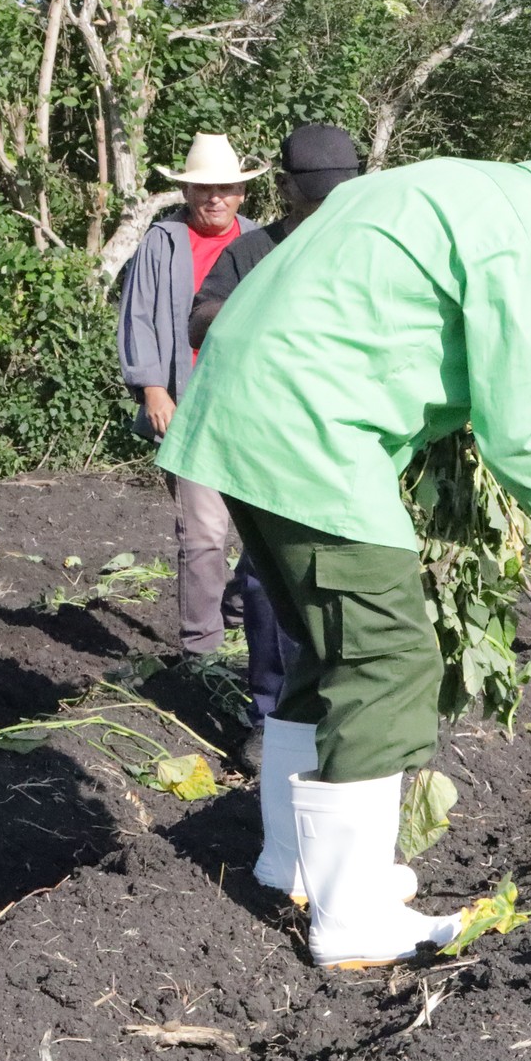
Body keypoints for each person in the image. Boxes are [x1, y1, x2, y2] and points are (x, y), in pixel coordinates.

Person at [157, 113, 531, 967]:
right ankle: (352, 918)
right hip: (312, 428)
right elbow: (514, 421)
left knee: (327, 651)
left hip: (247, 411)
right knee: (389, 661)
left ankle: (295, 864)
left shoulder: (461, 181)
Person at [187, 124, 365, 768]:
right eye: (314, 196)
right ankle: (272, 711)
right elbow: (200, 320)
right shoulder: (255, 251)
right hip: (268, 438)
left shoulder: (369, 249)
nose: (327, 209)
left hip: (352, 440)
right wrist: (268, 304)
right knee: (267, 580)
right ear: (287, 189)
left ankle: (346, 709)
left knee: (352, 576)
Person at [118, 133, 262, 657]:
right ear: (186, 191)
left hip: (252, 406)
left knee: (265, 525)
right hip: (188, 405)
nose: (215, 198)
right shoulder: (163, 242)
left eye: (225, 188)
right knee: (203, 532)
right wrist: (153, 389)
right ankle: (202, 648)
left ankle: (241, 612)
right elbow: (137, 317)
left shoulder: (262, 242)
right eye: (204, 189)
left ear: (241, 192)